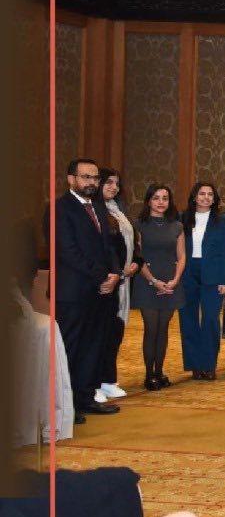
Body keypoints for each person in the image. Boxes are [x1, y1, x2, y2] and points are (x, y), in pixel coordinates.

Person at [50, 159, 123, 420]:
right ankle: (65, 406)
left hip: (100, 293)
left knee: (92, 348)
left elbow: (109, 247)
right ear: (71, 179)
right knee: (70, 350)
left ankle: (85, 398)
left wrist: (114, 274)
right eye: (85, 177)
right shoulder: (59, 209)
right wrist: (101, 276)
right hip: (73, 294)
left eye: (95, 178)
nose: (91, 182)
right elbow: (68, 252)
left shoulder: (98, 208)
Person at [131, 184, 186, 389]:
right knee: (151, 329)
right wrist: (153, 281)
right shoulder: (138, 225)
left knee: (163, 329)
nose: (161, 202)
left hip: (171, 282)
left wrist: (175, 279)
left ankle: (159, 372)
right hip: (147, 282)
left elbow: (181, 256)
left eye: (165, 198)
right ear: (148, 201)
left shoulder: (177, 226)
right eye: (156, 198)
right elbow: (138, 257)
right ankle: (149, 375)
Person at [177, 180, 225, 381]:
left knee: (210, 319)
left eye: (210, 194)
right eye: (202, 194)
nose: (206, 197)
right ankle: (194, 365)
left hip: (213, 274)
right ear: (194, 197)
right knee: (188, 319)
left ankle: (208, 365)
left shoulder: (223, 220)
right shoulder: (182, 218)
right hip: (187, 272)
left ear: (214, 199)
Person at [94, 168, 139, 402]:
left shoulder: (118, 211)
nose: (114, 187)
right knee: (100, 335)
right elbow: (106, 249)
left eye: (117, 183)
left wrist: (137, 262)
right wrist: (118, 271)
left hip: (123, 282)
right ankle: (94, 383)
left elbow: (131, 244)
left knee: (115, 333)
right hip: (106, 282)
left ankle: (108, 380)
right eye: (109, 182)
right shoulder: (95, 211)